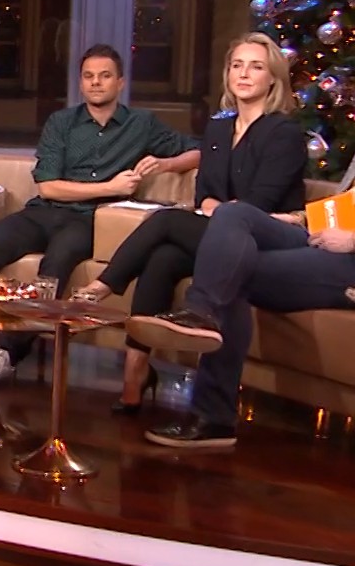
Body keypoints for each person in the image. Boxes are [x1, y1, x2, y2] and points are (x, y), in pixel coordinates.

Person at [0, 45, 200, 385]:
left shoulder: (141, 124)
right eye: (88, 76)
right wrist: (111, 186)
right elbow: (49, 188)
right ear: (80, 82)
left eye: (105, 76)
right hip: (44, 212)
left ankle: (6, 355)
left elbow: (197, 152)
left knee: (57, 264)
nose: (96, 83)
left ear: (120, 82)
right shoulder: (62, 122)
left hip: (88, 220)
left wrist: (164, 163)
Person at [72, 34, 305, 412]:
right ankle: (135, 371)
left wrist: (221, 210)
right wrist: (217, 207)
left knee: (166, 221)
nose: (244, 74)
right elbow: (205, 193)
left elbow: (257, 204)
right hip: (220, 234)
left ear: (273, 79)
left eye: (256, 67)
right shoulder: (220, 128)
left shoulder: (284, 133)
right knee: (162, 258)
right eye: (237, 66)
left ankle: (102, 286)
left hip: (266, 237)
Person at [125, 176, 355, 449]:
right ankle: (199, 313)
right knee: (234, 213)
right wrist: (299, 218)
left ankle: (214, 416)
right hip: (322, 232)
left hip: (349, 260)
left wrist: (352, 240)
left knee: (233, 268)